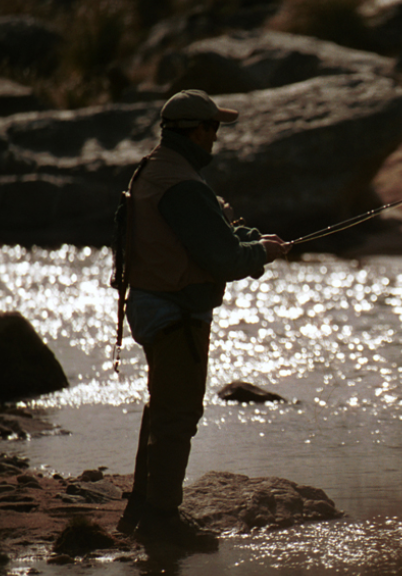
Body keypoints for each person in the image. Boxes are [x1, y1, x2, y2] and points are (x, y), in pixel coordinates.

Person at [112, 89, 289, 551]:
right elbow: (220, 258)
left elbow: (202, 238)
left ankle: (142, 509)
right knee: (178, 414)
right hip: (175, 313)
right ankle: (162, 520)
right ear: (195, 131)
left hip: (155, 305)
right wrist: (261, 253)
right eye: (213, 129)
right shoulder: (184, 184)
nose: (216, 138)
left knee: (163, 406)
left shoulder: (154, 168)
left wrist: (248, 240)